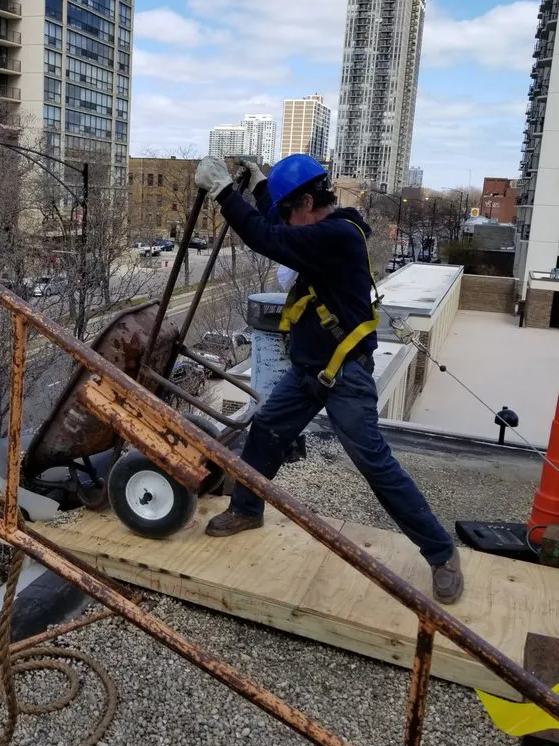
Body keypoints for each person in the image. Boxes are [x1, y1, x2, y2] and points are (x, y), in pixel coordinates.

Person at [194, 154, 464, 605]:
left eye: (286, 208)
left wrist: (224, 192)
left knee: (374, 462)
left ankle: (441, 553)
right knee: (266, 429)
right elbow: (279, 227)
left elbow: (269, 237)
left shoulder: (336, 235)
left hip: (344, 374)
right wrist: (262, 188)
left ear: (305, 201)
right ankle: (246, 509)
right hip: (308, 371)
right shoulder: (326, 229)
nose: (283, 219)